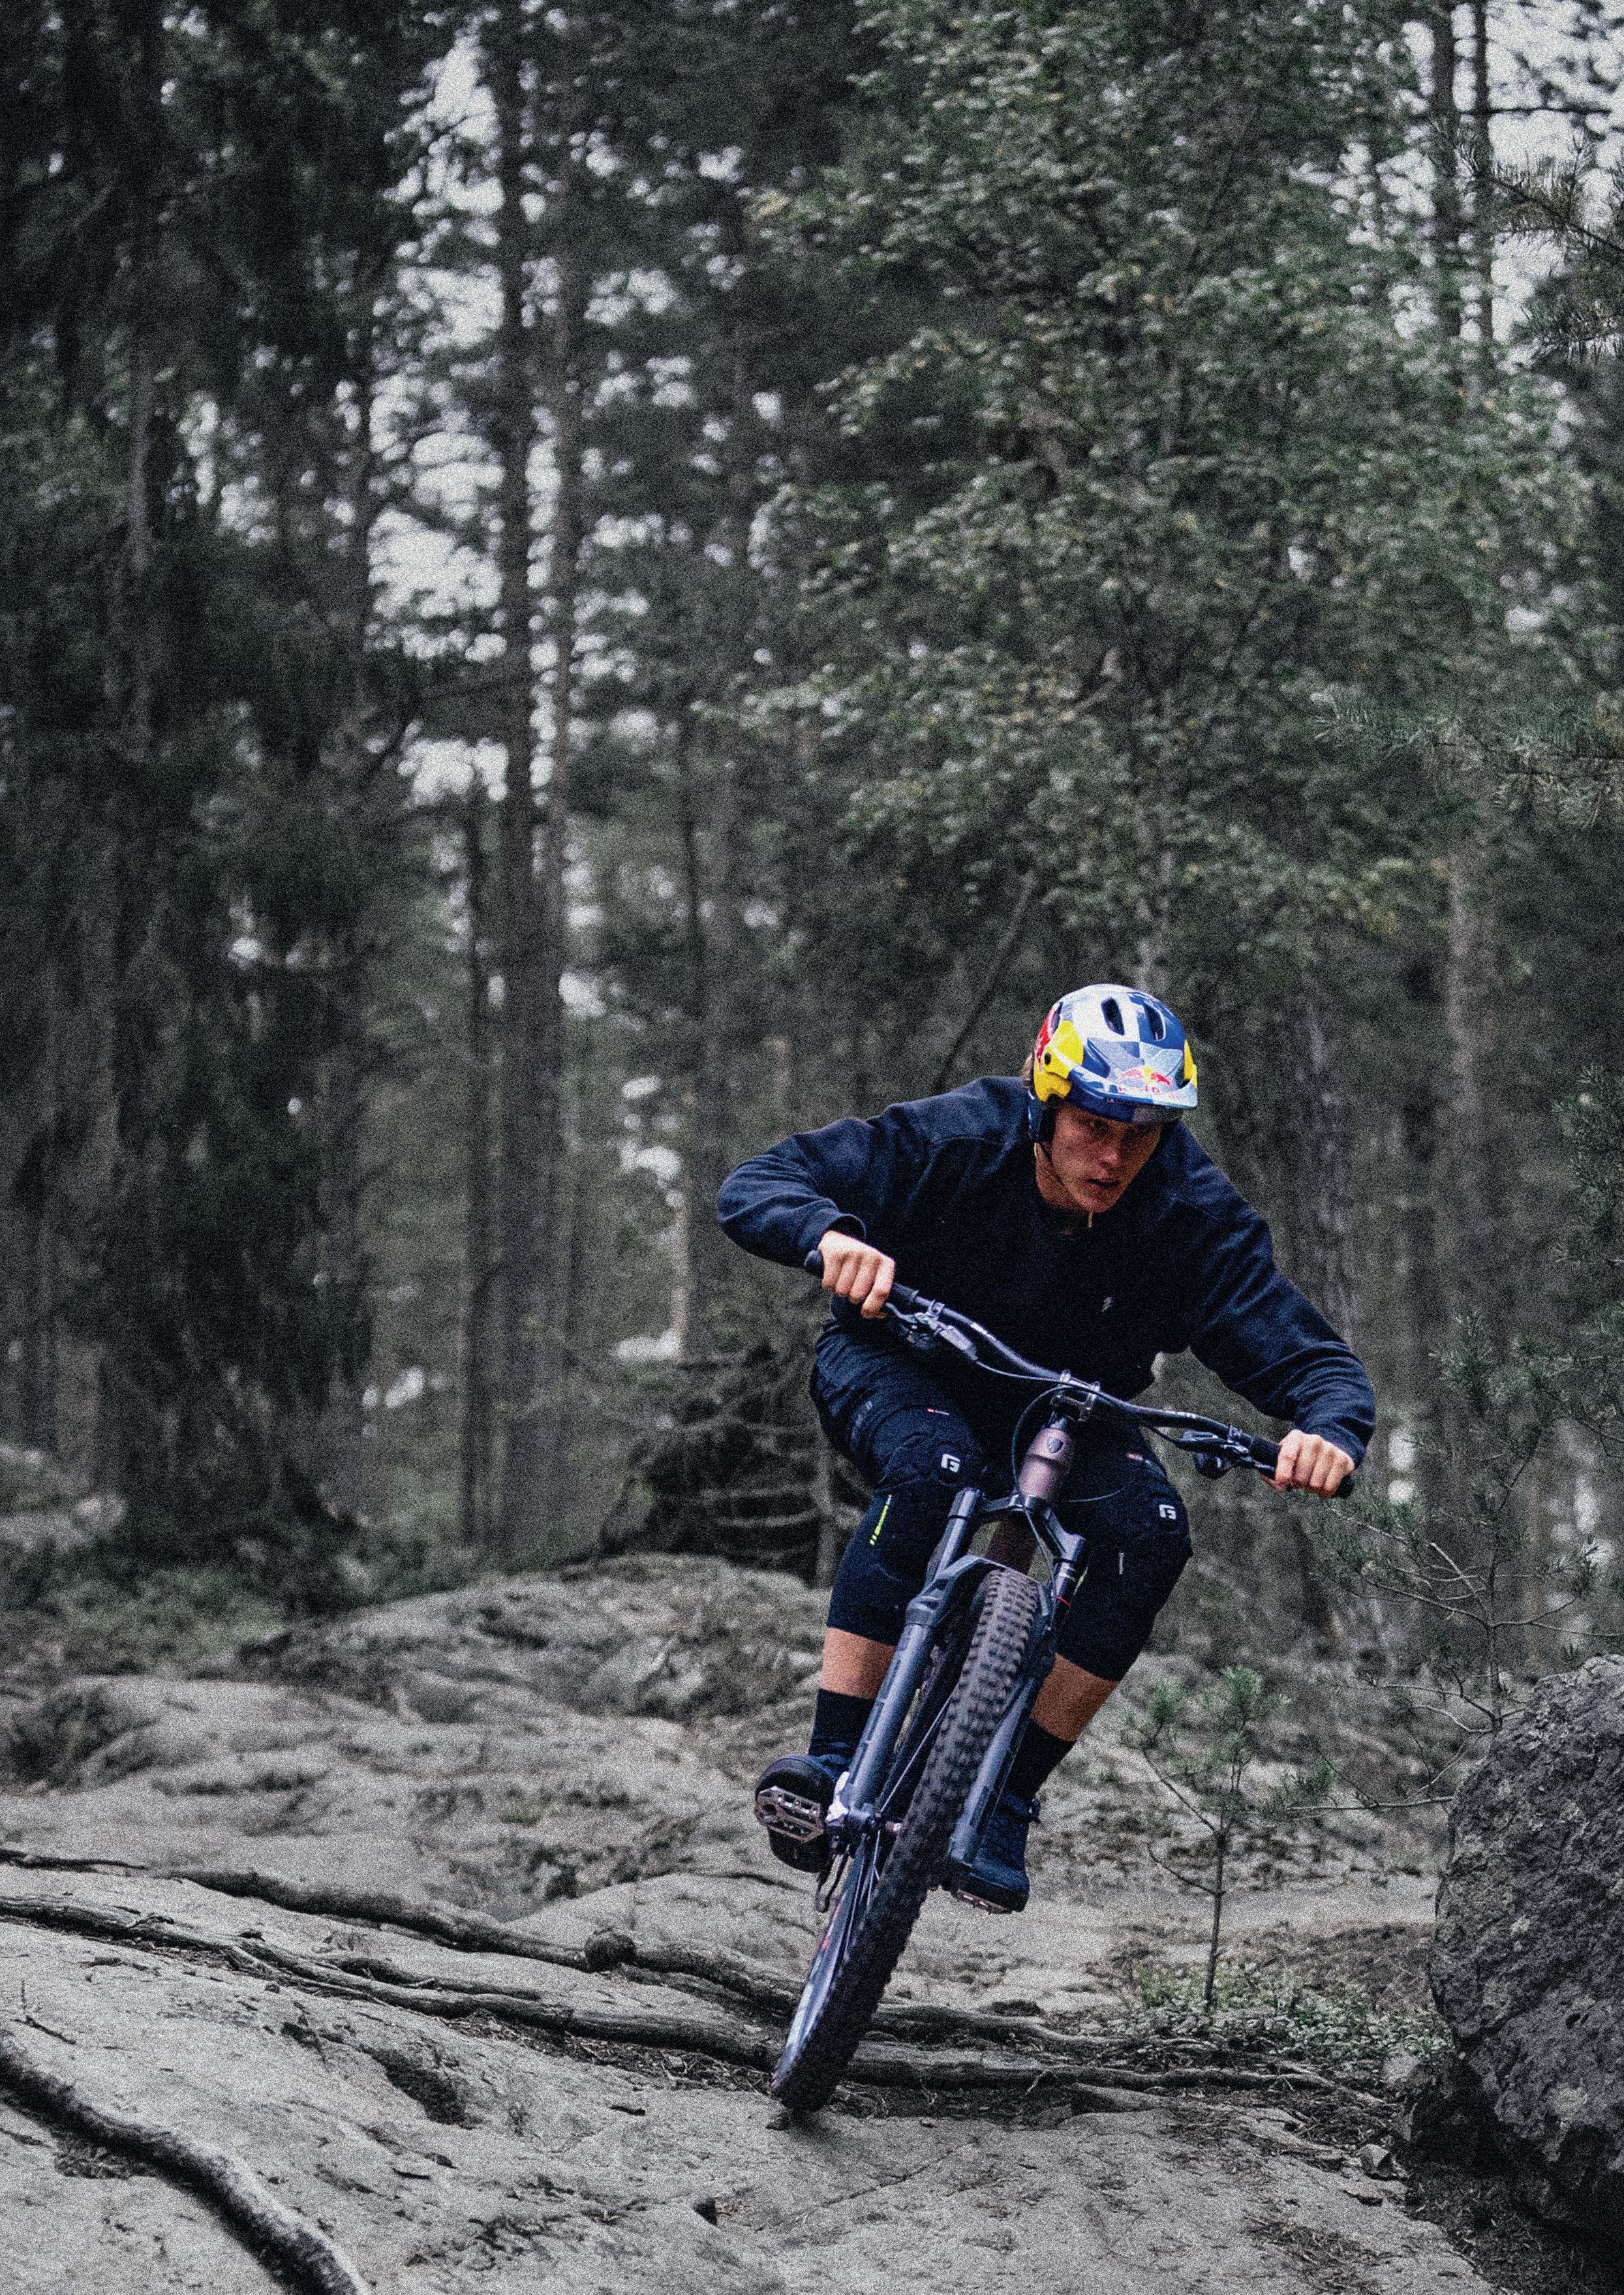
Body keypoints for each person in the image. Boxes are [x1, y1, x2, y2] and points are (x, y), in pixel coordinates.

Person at [716, 983, 1373, 1913]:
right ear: (1045, 1102)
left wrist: (1327, 1429)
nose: (1113, 1157)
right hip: (903, 1362)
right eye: (1094, 1126)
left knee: (1150, 1534)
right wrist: (827, 1237)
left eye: (1141, 1135)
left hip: (1067, 1408)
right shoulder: (957, 1139)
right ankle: (832, 1759)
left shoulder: (1189, 1210)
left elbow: (1305, 1354)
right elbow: (759, 1183)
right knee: (933, 1470)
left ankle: (1002, 1799)